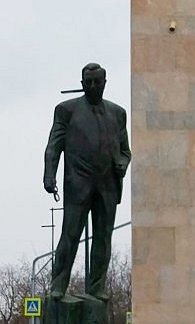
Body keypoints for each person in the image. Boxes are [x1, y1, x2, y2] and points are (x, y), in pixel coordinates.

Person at [43, 63, 131, 299]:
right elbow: (54, 146)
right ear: (82, 84)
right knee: (70, 234)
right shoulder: (66, 110)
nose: (92, 86)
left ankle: (97, 286)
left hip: (108, 185)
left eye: (97, 82)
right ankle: (58, 284)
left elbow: (125, 150)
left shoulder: (118, 113)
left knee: (103, 238)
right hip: (78, 182)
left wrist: (122, 163)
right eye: (88, 82)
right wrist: (49, 175)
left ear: (105, 83)